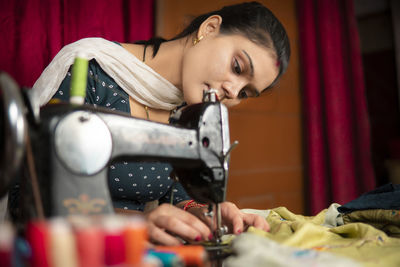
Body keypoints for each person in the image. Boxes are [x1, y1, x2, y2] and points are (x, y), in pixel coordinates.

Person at [30, 1, 290, 245]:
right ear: (209, 29)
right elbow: (35, 199)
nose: (234, 93)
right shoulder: (90, 72)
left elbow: (173, 194)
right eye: (237, 67)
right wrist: (138, 223)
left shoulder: (186, 111)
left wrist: (202, 212)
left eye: (245, 93)